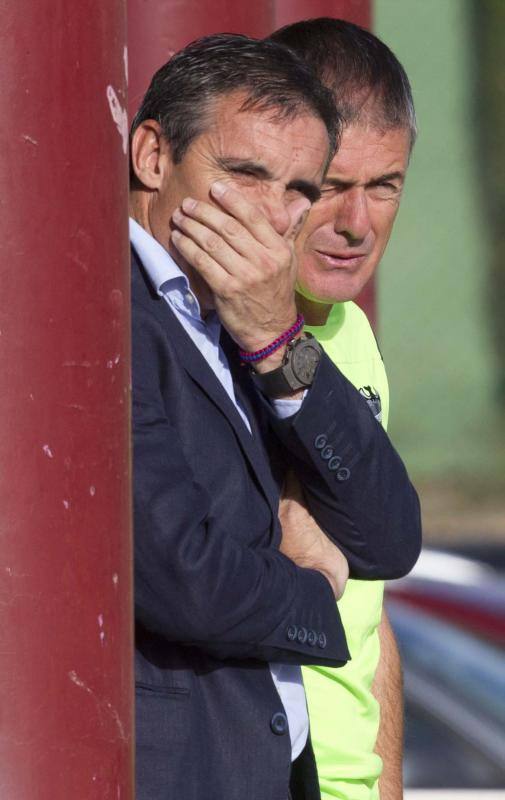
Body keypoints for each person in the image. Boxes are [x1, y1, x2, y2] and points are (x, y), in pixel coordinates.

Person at [129, 33, 421, 800]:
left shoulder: (255, 318)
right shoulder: (105, 310)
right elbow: (181, 574)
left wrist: (274, 337)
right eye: (245, 174)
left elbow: (386, 540)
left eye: (297, 187)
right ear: (153, 157)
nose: (274, 213)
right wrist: (313, 586)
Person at [271, 18, 418, 800]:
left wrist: (383, 780)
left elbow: (370, 608)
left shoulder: (355, 332)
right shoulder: (205, 327)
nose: (356, 223)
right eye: (330, 185)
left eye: (384, 185)